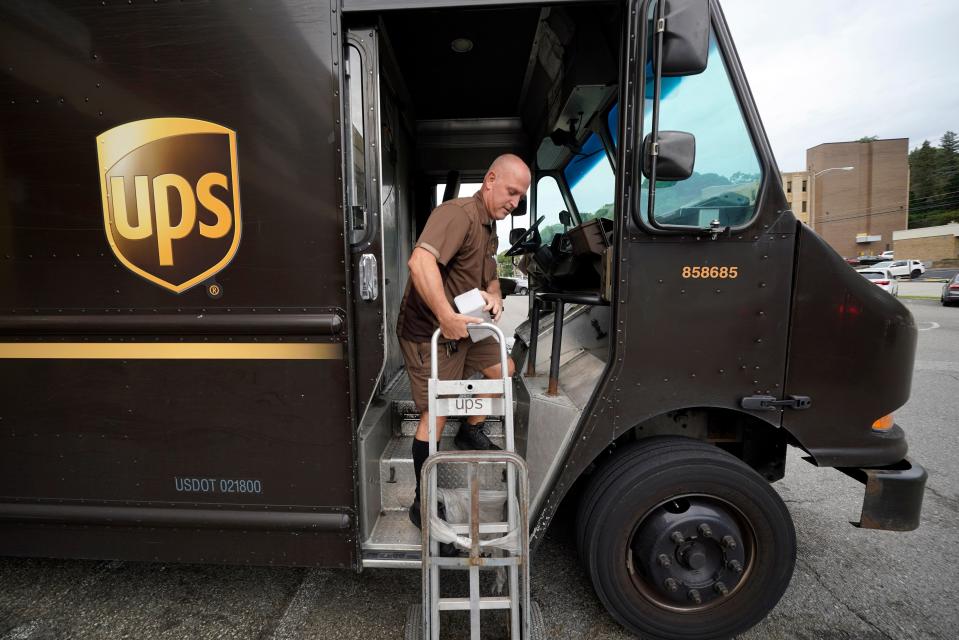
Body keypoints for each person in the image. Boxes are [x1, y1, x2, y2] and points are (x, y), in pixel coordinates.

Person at [397, 153, 530, 528]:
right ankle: (421, 502)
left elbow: (488, 277)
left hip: (468, 324)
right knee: (435, 412)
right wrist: (444, 317)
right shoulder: (457, 215)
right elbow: (419, 263)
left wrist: (495, 296)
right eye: (511, 192)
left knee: (504, 369)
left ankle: (471, 430)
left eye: (520, 197)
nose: (515, 203)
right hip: (430, 330)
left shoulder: (491, 227)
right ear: (489, 180)